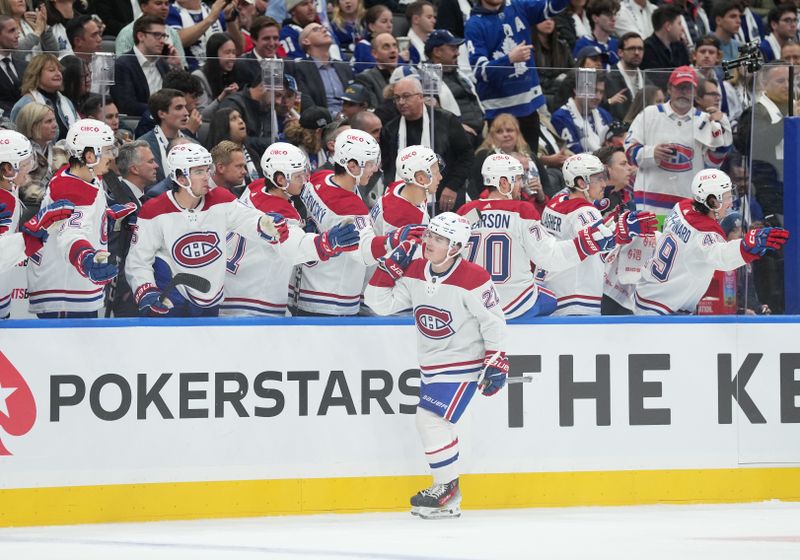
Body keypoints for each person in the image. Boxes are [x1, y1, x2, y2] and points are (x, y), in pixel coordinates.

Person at [364, 211, 508, 520]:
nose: (428, 241)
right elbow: (378, 303)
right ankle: (447, 489)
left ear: (455, 247)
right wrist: (389, 268)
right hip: (431, 365)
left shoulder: (473, 277)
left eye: (439, 239)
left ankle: (447, 489)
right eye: (429, 234)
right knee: (433, 422)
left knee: (430, 420)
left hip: (463, 364)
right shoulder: (416, 269)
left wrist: (496, 360)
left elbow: (494, 321)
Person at [126, 143, 289, 317]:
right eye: (198, 172)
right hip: (171, 299)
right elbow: (138, 261)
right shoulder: (154, 211)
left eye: (206, 170)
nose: (207, 177)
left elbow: (250, 220)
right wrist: (146, 291)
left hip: (211, 298)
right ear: (181, 178)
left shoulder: (221, 199)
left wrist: (266, 224)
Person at [458, 153, 628, 319]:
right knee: (549, 301)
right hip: (516, 302)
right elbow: (549, 255)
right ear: (503, 182)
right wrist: (586, 243)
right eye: (517, 179)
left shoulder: (468, 212)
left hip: (476, 302)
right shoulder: (521, 211)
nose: (521, 184)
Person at [221, 142, 360, 316]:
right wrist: (327, 242)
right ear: (280, 180)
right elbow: (293, 248)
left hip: (232, 289)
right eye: (299, 176)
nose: (305, 180)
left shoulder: (255, 188)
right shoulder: (280, 213)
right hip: (255, 301)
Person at [634, 169, 789, 315]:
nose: (731, 202)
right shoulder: (703, 233)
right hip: (662, 309)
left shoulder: (681, 207)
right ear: (712, 202)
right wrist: (748, 245)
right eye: (727, 197)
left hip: (648, 293)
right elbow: (722, 257)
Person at [27, 119, 126, 318]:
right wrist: (86, 260)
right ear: (90, 156)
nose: (111, 157)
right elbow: (71, 235)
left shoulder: (81, 174)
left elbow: (76, 219)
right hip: (65, 294)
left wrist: (104, 215)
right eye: (107, 151)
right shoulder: (73, 190)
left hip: (69, 287)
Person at [537, 153, 656, 315]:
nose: (604, 184)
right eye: (598, 179)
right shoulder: (584, 211)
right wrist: (627, 227)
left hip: (554, 289)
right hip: (576, 298)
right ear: (581, 182)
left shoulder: (557, 200)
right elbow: (600, 241)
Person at [293, 129, 394, 316]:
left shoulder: (319, 178)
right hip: (332, 299)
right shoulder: (351, 210)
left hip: (305, 286)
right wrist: (394, 240)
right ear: (352, 166)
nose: (375, 169)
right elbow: (366, 252)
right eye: (370, 163)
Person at [624, 66, 732, 215]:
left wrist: (723, 127)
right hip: (649, 201)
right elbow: (629, 151)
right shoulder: (649, 114)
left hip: (688, 204)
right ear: (670, 89)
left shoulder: (705, 120)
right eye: (679, 87)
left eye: (688, 88)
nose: (684, 92)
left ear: (694, 92)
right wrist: (652, 153)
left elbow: (713, 163)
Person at [465, 0, 568, 152]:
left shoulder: (518, 6)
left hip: (529, 108)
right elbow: (480, 71)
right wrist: (509, 59)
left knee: (529, 165)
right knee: (504, 168)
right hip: (499, 113)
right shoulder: (474, 24)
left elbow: (553, 6)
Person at [380, 76, 473, 212]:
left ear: (421, 96)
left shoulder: (446, 121)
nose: (401, 102)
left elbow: (467, 156)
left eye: (406, 96)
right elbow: (389, 167)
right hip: (406, 200)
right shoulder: (390, 129)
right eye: (397, 98)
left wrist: (453, 186)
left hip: (444, 195)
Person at [104, 140, 160, 317]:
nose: (156, 165)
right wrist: (123, 289)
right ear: (134, 169)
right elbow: (112, 248)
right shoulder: (118, 200)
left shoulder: (144, 200)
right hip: (126, 294)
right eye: (150, 161)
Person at [111, 16, 182, 117]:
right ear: (141, 36)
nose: (162, 41)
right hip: (139, 123)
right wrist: (164, 111)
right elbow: (127, 105)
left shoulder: (163, 64)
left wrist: (177, 66)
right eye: (157, 35)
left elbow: (180, 97)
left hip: (166, 121)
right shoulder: (122, 65)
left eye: (164, 36)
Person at [425, 29, 485, 147]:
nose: (458, 53)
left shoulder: (459, 73)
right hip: (456, 138)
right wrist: (458, 127)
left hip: (479, 134)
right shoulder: (428, 74)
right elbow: (432, 111)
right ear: (437, 52)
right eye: (453, 49)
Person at [0, 129, 33, 318]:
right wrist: (33, 237)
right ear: (7, 169)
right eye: (25, 164)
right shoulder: (6, 199)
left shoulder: (11, 189)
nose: (28, 169)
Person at [370, 145, 437, 236]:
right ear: (420, 179)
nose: (440, 177)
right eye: (436, 173)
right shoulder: (405, 220)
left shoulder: (400, 187)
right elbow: (391, 249)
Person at [291, 22, 354, 118]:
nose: (325, 30)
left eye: (324, 28)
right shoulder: (300, 68)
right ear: (306, 41)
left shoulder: (344, 67)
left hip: (350, 120)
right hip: (322, 122)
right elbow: (307, 105)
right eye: (316, 29)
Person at [10, 53, 77, 140]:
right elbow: (17, 139)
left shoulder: (66, 102)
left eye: (59, 70)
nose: (58, 74)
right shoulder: (25, 104)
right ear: (36, 74)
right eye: (51, 70)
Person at [13, 102, 59, 220]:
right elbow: (29, 193)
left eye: (54, 120)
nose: (55, 125)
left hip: (53, 208)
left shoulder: (58, 150)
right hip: (28, 213)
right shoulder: (20, 154)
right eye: (48, 122)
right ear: (33, 126)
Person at [552, 70, 613, 153]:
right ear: (577, 90)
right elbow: (574, 152)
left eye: (601, 92)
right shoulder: (561, 118)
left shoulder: (604, 114)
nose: (598, 97)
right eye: (593, 91)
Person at [139, 88, 192, 183]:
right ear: (162, 114)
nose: (186, 113)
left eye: (185, 107)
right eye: (179, 108)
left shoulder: (194, 144)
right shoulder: (143, 147)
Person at [115, 0, 188, 69]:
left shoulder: (173, 33)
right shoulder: (127, 33)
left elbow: (182, 65)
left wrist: (178, 65)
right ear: (143, 7)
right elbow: (122, 68)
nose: (164, 8)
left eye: (166, 4)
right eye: (158, 3)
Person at [193, 32, 249, 119]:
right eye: (227, 53)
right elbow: (202, 115)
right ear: (214, 54)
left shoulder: (236, 73)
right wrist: (222, 97)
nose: (232, 58)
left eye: (234, 53)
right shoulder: (199, 77)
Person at [204, 106, 260, 182]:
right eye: (233, 119)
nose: (241, 121)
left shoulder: (253, 154)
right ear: (223, 126)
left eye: (240, 117)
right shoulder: (212, 158)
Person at [641, 4, 690, 90]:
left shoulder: (680, 46)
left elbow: (687, 72)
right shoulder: (647, 48)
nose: (682, 29)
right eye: (679, 24)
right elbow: (658, 82)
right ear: (668, 26)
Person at [604, 31, 645, 121]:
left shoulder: (647, 78)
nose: (637, 53)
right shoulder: (608, 77)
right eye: (632, 49)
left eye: (640, 49)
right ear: (620, 52)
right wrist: (610, 102)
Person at [354, 31, 399, 108]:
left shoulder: (405, 76)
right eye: (386, 47)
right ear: (375, 53)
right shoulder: (365, 79)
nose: (393, 50)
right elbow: (374, 110)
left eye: (395, 46)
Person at [572, 0, 620, 68]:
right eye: (609, 15)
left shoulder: (618, 44)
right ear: (595, 18)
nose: (614, 19)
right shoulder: (581, 44)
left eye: (615, 14)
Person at [351, 4, 392, 74]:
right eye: (384, 21)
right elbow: (376, 69)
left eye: (391, 21)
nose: (389, 25)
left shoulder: (394, 45)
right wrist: (401, 58)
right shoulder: (363, 45)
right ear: (372, 27)